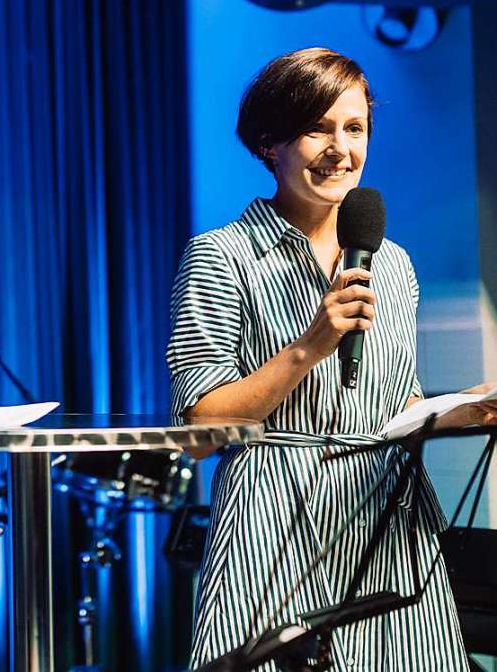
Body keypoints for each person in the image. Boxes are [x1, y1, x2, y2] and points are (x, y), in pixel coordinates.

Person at [167, 47, 496, 670]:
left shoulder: (391, 263)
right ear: (270, 142)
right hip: (270, 525)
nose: (339, 148)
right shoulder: (221, 256)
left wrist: (462, 411)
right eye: (317, 128)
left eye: (354, 128)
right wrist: (309, 346)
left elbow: (393, 405)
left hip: (387, 524)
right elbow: (198, 431)